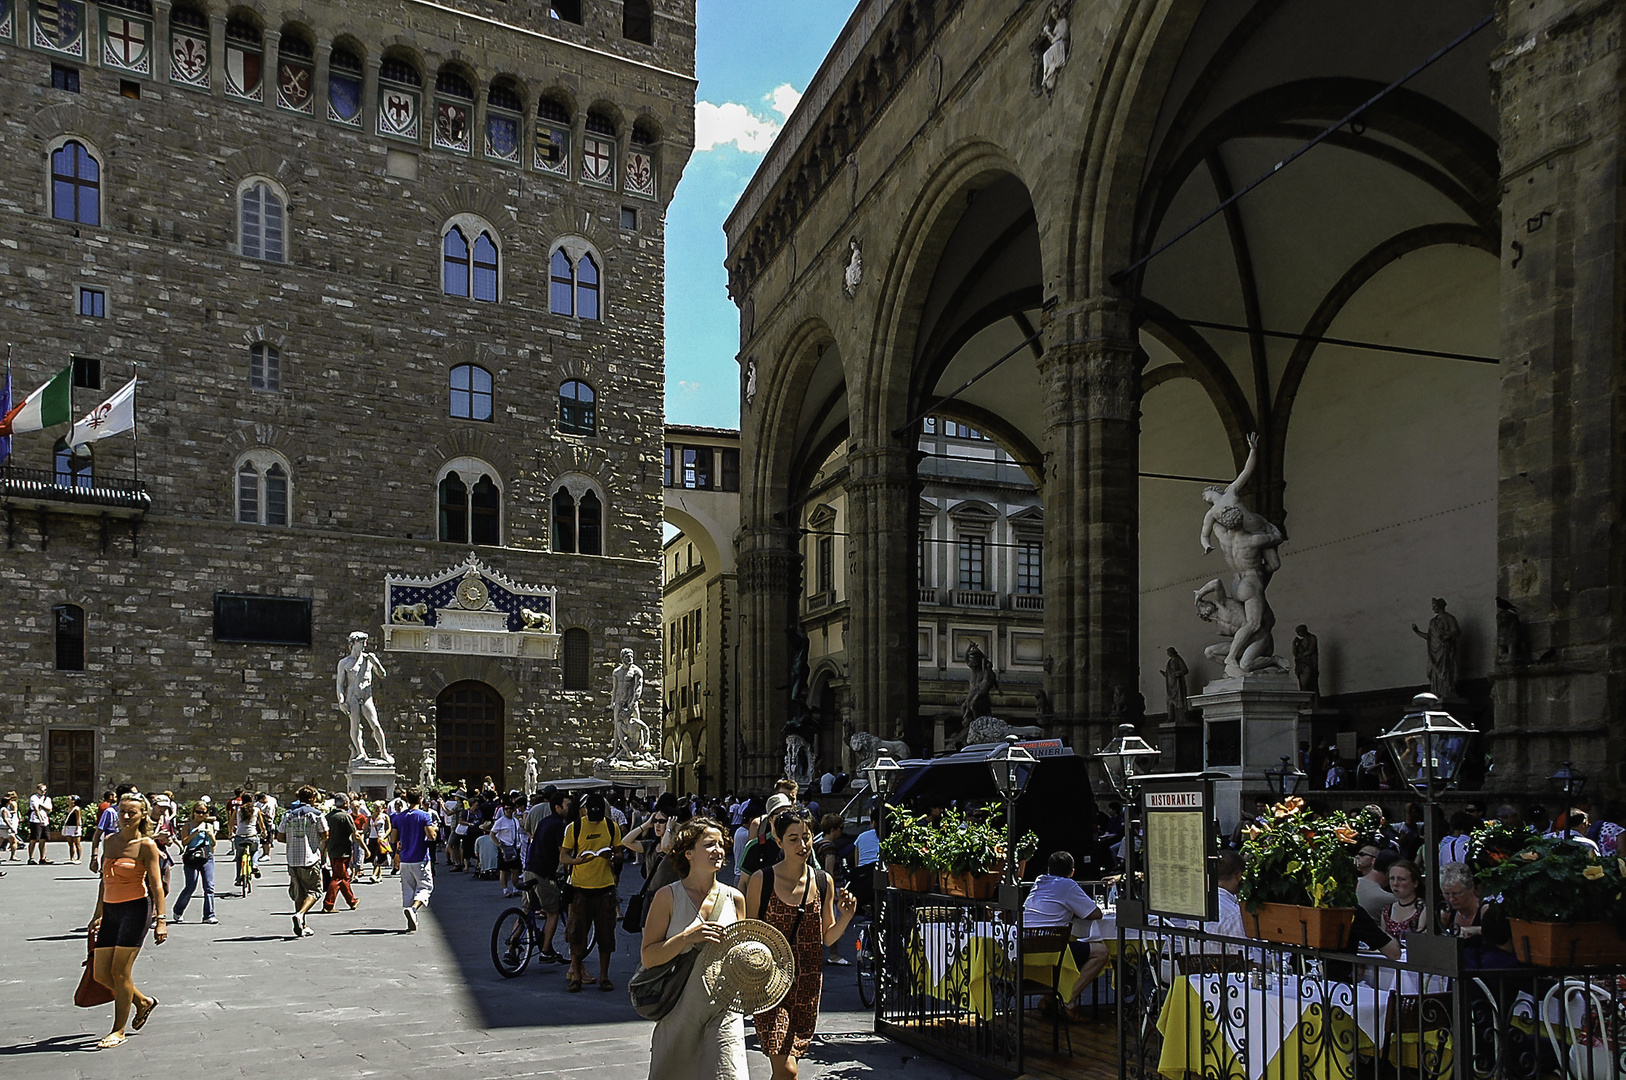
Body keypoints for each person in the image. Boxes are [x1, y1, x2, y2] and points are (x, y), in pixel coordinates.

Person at [744, 806, 858, 1080]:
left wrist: (847, 916)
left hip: (807, 983)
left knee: (786, 1070)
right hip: (769, 984)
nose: (802, 844)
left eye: (806, 837)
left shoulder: (822, 881)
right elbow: (749, 933)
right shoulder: (764, 879)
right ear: (779, 841)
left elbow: (826, 936)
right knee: (787, 1070)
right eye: (793, 838)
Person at [642, 817, 749, 1080]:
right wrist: (686, 937)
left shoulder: (735, 898)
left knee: (729, 1074)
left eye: (721, 844)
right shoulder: (667, 896)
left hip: (724, 1009)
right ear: (688, 853)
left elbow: (742, 953)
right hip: (680, 1008)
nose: (719, 850)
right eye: (709, 844)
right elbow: (648, 956)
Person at [87, 792, 167, 1049]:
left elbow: (156, 886)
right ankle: (143, 1002)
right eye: (122, 811)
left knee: (120, 973)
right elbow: (104, 881)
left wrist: (161, 920)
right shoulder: (110, 841)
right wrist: (97, 914)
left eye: (132, 812)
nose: (125, 816)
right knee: (101, 974)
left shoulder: (147, 845)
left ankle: (118, 1030)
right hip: (111, 911)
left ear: (143, 814)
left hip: (135, 909)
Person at [1022, 850, 1109, 1021]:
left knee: (1067, 943)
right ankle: (1069, 1000)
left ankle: (1047, 999)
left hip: (1025, 944)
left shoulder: (1040, 881)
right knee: (1101, 951)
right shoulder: (1068, 885)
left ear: (1048, 869)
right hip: (1049, 949)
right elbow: (1095, 913)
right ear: (1072, 872)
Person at [561, 791, 624, 992]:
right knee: (577, 934)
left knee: (606, 935)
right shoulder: (575, 827)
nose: (595, 818)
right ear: (586, 810)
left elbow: (621, 852)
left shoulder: (611, 827)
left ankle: (604, 976)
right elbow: (563, 855)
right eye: (592, 813)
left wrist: (612, 857)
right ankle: (576, 976)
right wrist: (576, 861)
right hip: (581, 889)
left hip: (605, 889)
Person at [524, 790, 572, 963]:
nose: (570, 808)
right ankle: (545, 951)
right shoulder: (559, 825)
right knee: (553, 911)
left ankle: (512, 947)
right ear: (558, 807)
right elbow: (563, 853)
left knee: (526, 910)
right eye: (567, 805)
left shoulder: (544, 821)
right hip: (543, 872)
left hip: (529, 867)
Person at [1440, 862, 1516, 968]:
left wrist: (1477, 930)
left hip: (1486, 972)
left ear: (1471, 888)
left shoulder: (1486, 910)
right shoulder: (1447, 913)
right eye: (1446, 894)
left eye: (1457, 893)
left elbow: (1503, 942)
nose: (1451, 899)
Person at [280, 785, 328, 939]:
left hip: (293, 858)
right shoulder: (316, 814)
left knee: (298, 892)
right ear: (313, 798)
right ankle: (300, 914)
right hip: (310, 857)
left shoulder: (288, 815)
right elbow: (325, 834)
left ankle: (303, 924)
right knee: (315, 890)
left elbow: (280, 836)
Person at [389, 787, 439, 932]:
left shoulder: (398, 817)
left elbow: (393, 838)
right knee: (425, 887)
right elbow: (431, 837)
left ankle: (412, 917)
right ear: (420, 799)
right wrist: (434, 829)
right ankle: (414, 909)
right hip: (420, 857)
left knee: (408, 889)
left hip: (405, 859)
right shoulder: (424, 816)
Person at [171, 802, 218, 925]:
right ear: (194, 812)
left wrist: (210, 835)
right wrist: (195, 833)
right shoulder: (188, 826)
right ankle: (178, 910)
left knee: (209, 886)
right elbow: (185, 842)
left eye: (203, 812)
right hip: (192, 857)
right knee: (190, 886)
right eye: (198, 812)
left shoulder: (208, 825)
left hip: (206, 856)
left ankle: (209, 915)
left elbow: (213, 843)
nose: (200, 815)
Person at [813, 814, 850, 966]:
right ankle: (834, 954)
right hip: (832, 886)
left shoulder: (819, 844)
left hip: (822, 885)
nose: (842, 832)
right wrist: (833, 892)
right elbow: (829, 869)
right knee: (833, 920)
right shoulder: (829, 847)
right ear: (833, 829)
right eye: (840, 828)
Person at [322, 792, 361, 913]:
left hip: (332, 850)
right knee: (338, 878)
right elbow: (356, 835)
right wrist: (365, 849)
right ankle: (328, 904)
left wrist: (323, 852)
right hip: (343, 851)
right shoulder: (345, 817)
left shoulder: (328, 817)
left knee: (344, 877)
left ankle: (352, 901)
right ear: (345, 803)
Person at [1382, 858, 1429, 938]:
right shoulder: (1387, 910)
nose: (1395, 883)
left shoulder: (1424, 908)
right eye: (1392, 878)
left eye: (1402, 879)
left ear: (1415, 883)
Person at [491, 797, 525, 897]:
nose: (508, 810)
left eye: (510, 808)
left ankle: (515, 888)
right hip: (505, 847)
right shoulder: (500, 821)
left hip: (515, 847)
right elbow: (492, 833)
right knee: (504, 870)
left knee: (515, 870)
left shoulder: (515, 820)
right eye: (506, 809)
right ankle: (505, 889)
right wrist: (499, 845)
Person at [1354, 842, 1396, 921]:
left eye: (1362, 854)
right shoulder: (1390, 899)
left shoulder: (1349, 884)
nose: (1357, 857)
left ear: (1374, 861)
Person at [232, 799, 262, 887]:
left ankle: (238, 878)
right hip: (252, 836)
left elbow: (230, 822)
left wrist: (230, 832)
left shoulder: (237, 810)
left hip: (240, 837)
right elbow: (261, 824)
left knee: (239, 857)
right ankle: (255, 864)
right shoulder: (256, 810)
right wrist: (264, 832)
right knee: (256, 851)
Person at [28, 781, 53, 864]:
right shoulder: (34, 798)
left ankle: (43, 858)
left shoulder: (47, 799)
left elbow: (50, 809)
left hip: (45, 820)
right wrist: (40, 819)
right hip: (35, 820)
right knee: (34, 839)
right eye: (41, 790)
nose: (43, 792)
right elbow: (36, 809)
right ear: (37, 790)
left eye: (45, 790)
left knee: (43, 839)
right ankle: (31, 858)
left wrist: (41, 805)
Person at [63, 794, 85, 864]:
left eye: (69, 799)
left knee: (77, 843)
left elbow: (78, 818)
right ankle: (71, 858)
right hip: (68, 827)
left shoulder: (76, 809)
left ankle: (79, 858)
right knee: (70, 843)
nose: (67, 801)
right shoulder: (68, 808)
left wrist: (77, 828)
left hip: (75, 826)